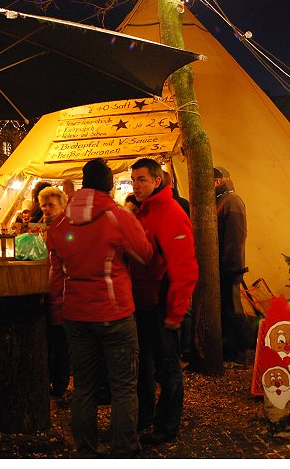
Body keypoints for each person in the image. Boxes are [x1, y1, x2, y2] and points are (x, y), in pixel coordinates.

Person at [46, 158, 153, 458]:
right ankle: (124, 449)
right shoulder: (117, 217)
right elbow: (144, 253)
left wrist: (57, 312)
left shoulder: (60, 224)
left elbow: (56, 274)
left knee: (84, 387)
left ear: (83, 183)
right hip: (114, 313)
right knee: (122, 387)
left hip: (76, 315)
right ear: (108, 185)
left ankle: (86, 449)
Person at [128, 158, 199, 446]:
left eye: (141, 179)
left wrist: (175, 312)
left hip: (162, 305)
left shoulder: (169, 213)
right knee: (146, 364)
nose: (136, 185)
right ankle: (146, 417)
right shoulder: (145, 212)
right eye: (134, 180)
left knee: (167, 368)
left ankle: (167, 426)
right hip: (145, 304)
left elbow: (184, 269)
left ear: (157, 181)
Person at [214, 166, 252, 364]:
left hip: (230, 268)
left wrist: (231, 267)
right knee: (227, 310)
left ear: (219, 181)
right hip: (222, 268)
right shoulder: (221, 201)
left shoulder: (232, 201)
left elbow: (235, 237)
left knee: (233, 310)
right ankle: (231, 350)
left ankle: (241, 353)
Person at [38, 186, 71, 401]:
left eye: (51, 205)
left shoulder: (65, 228)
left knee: (60, 344)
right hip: (52, 293)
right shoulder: (44, 227)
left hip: (62, 294)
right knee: (53, 342)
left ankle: (59, 385)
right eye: (44, 205)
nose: (47, 209)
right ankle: (54, 382)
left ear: (62, 205)